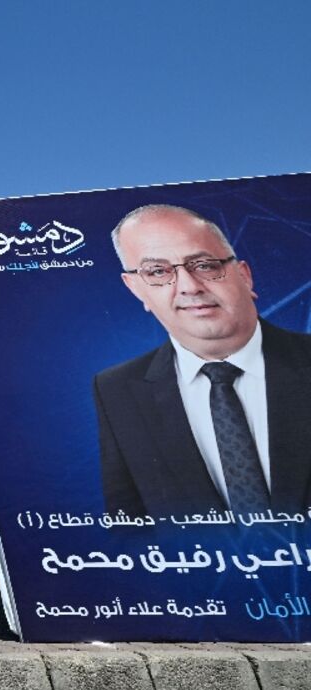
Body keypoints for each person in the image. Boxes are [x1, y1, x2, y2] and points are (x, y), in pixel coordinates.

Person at [94, 204, 311, 517]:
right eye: (157, 272)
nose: (189, 286)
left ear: (244, 276)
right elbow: (130, 527)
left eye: (205, 265)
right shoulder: (116, 390)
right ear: (136, 289)